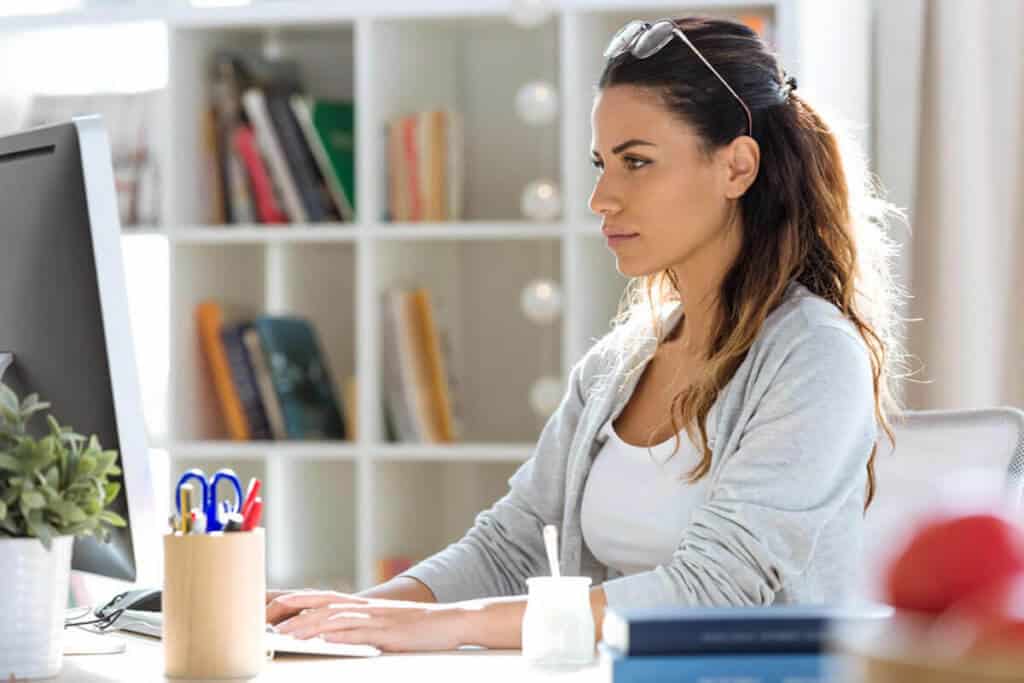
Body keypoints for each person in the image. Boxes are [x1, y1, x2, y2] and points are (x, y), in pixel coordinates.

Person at [265, 16, 907, 652]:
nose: (601, 197)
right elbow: (509, 547)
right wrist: (348, 619)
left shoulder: (816, 356)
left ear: (737, 167)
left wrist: (452, 624)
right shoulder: (619, 365)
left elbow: (717, 587)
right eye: (602, 163)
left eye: (636, 162)